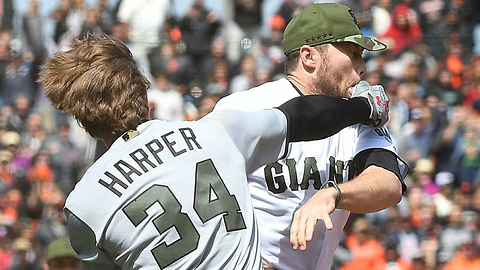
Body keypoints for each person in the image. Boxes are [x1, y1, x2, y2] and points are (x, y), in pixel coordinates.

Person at [38, 34, 389, 269]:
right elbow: (300, 116)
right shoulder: (215, 132)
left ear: (81, 119)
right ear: (144, 95)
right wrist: (363, 109)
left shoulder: (83, 206)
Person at [213, 3, 408, 270]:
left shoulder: (359, 110)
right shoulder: (245, 108)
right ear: (309, 56)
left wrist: (333, 194)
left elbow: (389, 184)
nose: (361, 67)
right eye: (352, 53)